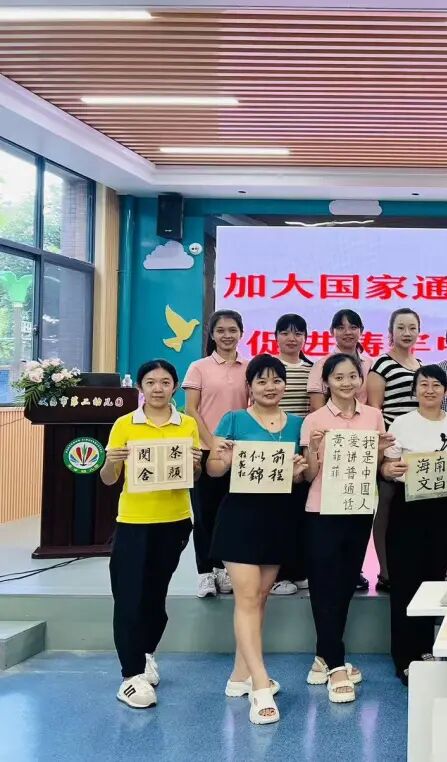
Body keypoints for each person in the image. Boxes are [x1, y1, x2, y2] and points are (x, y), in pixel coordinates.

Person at [205, 354, 308, 725]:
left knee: (261, 597)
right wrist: (226, 459)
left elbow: (301, 476)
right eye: (261, 381)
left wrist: (299, 473)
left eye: (276, 380)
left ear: (285, 385)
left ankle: (239, 675)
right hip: (241, 518)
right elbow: (212, 469)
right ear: (249, 386)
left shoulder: (297, 424)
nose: (270, 387)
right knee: (247, 598)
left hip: (278, 518)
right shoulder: (233, 420)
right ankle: (261, 686)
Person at [102, 359, 202, 709]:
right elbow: (108, 479)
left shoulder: (187, 424)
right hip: (133, 521)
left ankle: (145, 653)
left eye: (165, 382)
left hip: (174, 521)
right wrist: (112, 460)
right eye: (150, 382)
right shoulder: (124, 424)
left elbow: (194, 477)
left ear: (175, 386)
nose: (158, 388)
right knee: (129, 596)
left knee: (155, 597)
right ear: (140, 387)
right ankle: (130, 676)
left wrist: (195, 465)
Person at [300, 353, 391, 703]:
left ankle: (323, 656)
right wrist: (314, 450)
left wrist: (381, 452)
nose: (346, 383)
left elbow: (375, 467)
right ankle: (337, 665)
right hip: (321, 510)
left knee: (344, 585)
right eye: (338, 377)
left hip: (358, 509)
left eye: (352, 376)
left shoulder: (373, 416)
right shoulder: (314, 420)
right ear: (326, 382)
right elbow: (308, 475)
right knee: (324, 585)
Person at [379, 365, 447, 683]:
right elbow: (387, 466)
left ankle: (427, 648)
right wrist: (389, 470)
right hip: (408, 507)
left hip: (443, 507)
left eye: (436, 385)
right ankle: (404, 656)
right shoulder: (401, 423)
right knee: (405, 582)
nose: (429, 390)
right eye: (423, 384)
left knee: (433, 581)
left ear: (446, 391)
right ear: (414, 390)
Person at [182, 309, 248, 599]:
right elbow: (191, 409)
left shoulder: (249, 368)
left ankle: (223, 568)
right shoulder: (199, 367)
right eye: (220, 330)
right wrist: (212, 442)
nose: (227, 335)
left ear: (241, 333)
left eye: (232, 330)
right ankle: (204, 573)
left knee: (231, 514)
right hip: (206, 449)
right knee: (205, 514)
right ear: (211, 334)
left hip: (239, 453)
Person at [367, 308, 424, 594]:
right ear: (391, 331)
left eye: (412, 328)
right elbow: (375, 409)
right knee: (386, 505)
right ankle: (385, 571)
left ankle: (409, 565)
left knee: (409, 510)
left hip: (417, 449)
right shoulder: (382, 364)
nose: (406, 333)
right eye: (401, 327)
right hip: (391, 446)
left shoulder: (421, 365)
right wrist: (384, 448)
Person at [271, 313, 313, 596]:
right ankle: (277, 574)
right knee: (277, 515)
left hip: (302, 449)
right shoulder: (269, 368)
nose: (292, 338)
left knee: (300, 511)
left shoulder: (312, 369)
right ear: (276, 337)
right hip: (272, 448)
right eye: (285, 332)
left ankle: (298, 570)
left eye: (298, 333)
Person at [308, 309, 375, 410]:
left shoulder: (370, 364)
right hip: (330, 419)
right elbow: (316, 407)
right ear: (332, 331)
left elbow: (374, 402)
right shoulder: (321, 365)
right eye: (341, 328)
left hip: (365, 419)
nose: (347, 332)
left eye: (353, 327)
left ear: (361, 330)